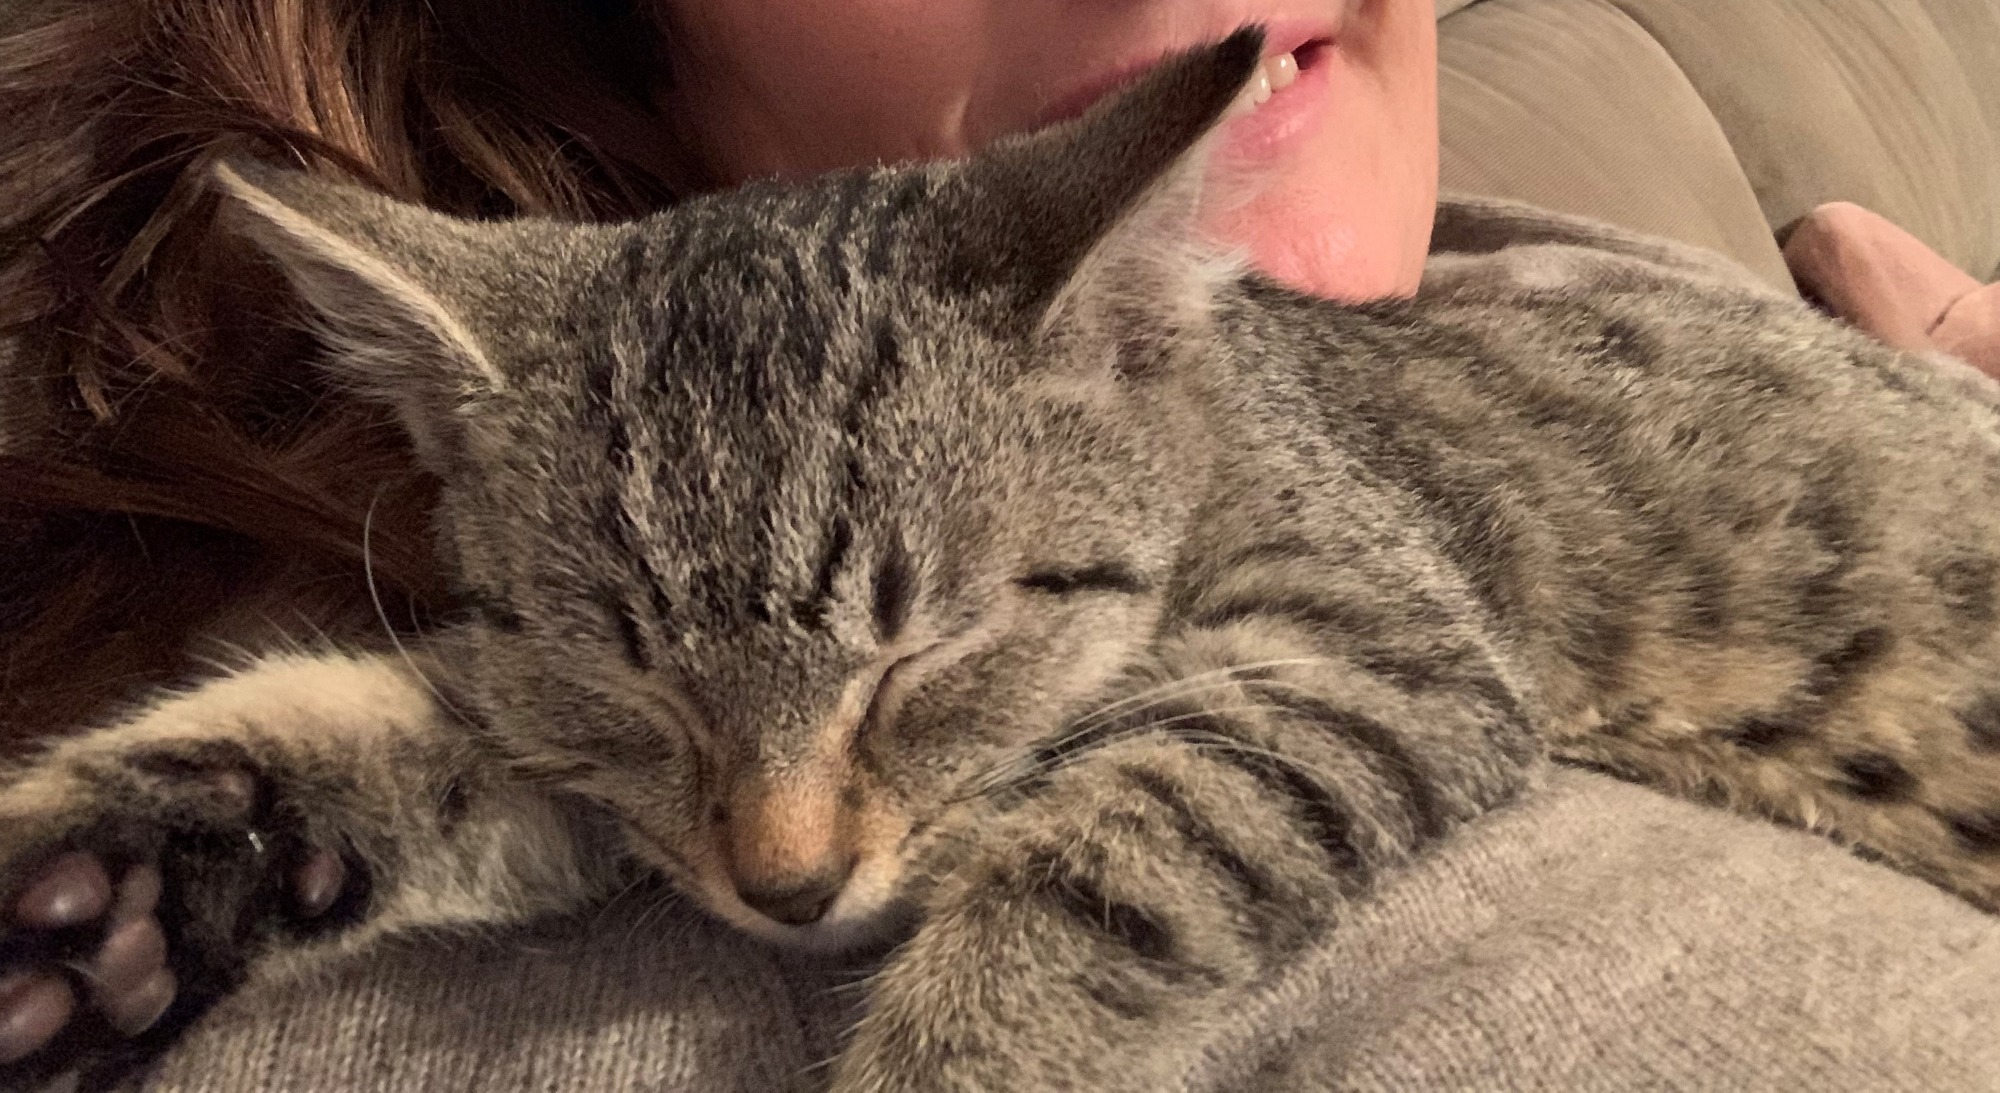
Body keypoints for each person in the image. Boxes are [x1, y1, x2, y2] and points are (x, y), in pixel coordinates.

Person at [1, 0, 1996, 1079]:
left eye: (923, 655)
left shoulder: (1160, 383)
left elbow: (1409, 687)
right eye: (647, 687)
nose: (783, 854)